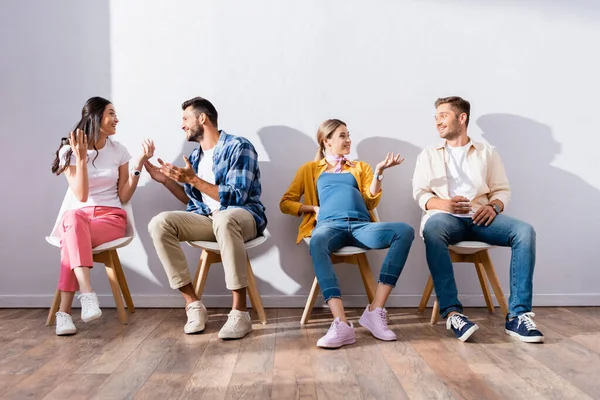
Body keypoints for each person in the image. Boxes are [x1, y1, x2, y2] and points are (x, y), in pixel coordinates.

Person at [412, 96, 543, 343]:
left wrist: (494, 206)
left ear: (462, 118)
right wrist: (445, 204)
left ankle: (518, 315)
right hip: (445, 218)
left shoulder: (487, 153)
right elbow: (419, 193)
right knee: (433, 229)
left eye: (443, 115)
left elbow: (502, 190)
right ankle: (452, 313)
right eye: (436, 117)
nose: (437, 122)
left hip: (482, 219)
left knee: (525, 232)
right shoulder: (428, 154)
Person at [280, 119, 414, 348]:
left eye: (348, 135)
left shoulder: (360, 167)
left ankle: (376, 310)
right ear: (327, 141)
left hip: (362, 226)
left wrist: (379, 173)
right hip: (329, 226)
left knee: (404, 231)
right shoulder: (309, 170)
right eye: (342, 135)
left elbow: (371, 200)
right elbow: (286, 203)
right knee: (317, 242)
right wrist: (312, 209)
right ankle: (341, 323)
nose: (348, 139)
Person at [147, 97, 266, 339]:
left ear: (202, 118)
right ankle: (193, 304)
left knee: (225, 218)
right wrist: (167, 181)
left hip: (244, 217)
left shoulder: (238, 146)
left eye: (185, 119)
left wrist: (192, 179)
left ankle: (240, 313)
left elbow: (236, 197)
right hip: (209, 219)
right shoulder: (197, 156)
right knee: (160, 223)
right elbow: (195, 202)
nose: (182, 125)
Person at [51, 96, 154, 336]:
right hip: (80, 218)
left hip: (111, 219)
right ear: (96, 117)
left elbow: (124, 194)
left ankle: (64, 314)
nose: (117, 119)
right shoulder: (70, 150)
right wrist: (83, 159)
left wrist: (138, 166)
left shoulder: (119, 150)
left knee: (71, 236)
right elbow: (82, 195)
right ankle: (86, 294)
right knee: (73, 221)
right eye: (111, 113)